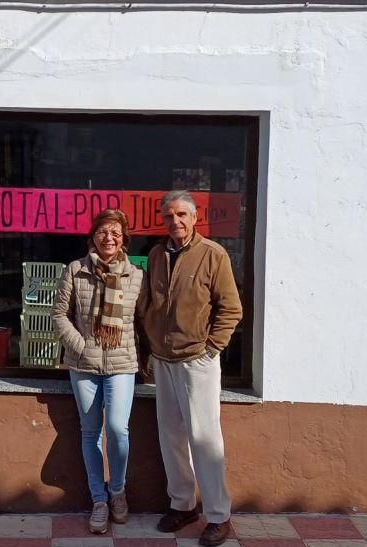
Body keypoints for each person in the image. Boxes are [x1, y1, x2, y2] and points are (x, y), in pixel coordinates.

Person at [137, 190, 242, 547]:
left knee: (204, 437)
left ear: (195, 218)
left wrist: (212, 349)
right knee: (171, 435)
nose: (175, 222)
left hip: (198, 359)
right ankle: (182, 504)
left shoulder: (213, 255)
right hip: (164, 360)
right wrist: (150, 341)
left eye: (182, 214)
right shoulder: (155, 254)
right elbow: (148, 303)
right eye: (168, 216)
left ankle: (218, 515)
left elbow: (231, 309)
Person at [51, 208, 144, 534]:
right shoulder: (76, 270)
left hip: (122, 364)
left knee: (118, 429)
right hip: (84, 365)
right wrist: (79, 345)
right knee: (90, 433)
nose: (109, 238)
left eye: (116, 233)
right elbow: (59, 314)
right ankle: (99, 500)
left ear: (124, 240)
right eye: (103, 232)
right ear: (93, 237)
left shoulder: (136, 275)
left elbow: (144, 319)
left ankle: (117, 490)